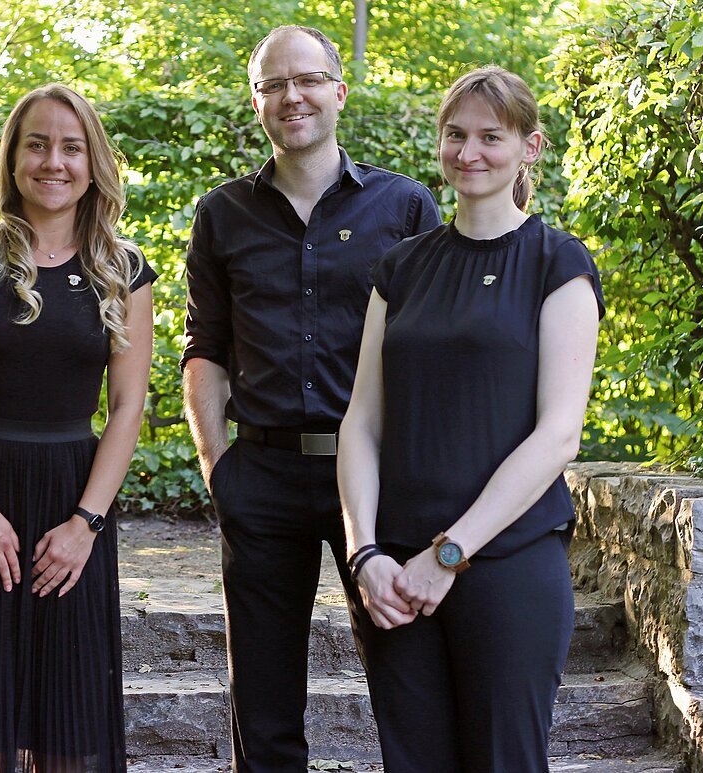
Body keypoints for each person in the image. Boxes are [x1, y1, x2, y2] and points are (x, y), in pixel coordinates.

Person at [181, 25, 441, 772]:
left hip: (380, 479)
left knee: (409, 684)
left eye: (307, 80)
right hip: (262, 475)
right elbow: (205, 348)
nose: (291, 96)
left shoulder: (405, 207)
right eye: (273, 85)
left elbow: (435, 352)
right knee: (263, 704)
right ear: (256, 102)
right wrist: (218, 467)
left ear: (338, 91)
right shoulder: (222, 214)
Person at [337, 65, 606, 772]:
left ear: (529, 147)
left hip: (507, 564)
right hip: (396, 575)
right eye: (455, 135)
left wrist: (449, 554)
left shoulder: (558, 263)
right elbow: (361, 422)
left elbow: (559, 435)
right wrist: (364, 553)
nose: (469, 152)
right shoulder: (401, 268)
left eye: (492, 136)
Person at [0, 83, 155, 772]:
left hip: (73, 502)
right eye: (38, 144)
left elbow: (127, 405)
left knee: (68, 717)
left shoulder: (125, 270)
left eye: (72, 147)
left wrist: (87, 523)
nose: (54, 161)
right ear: (13, 159)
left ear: (93, 164)